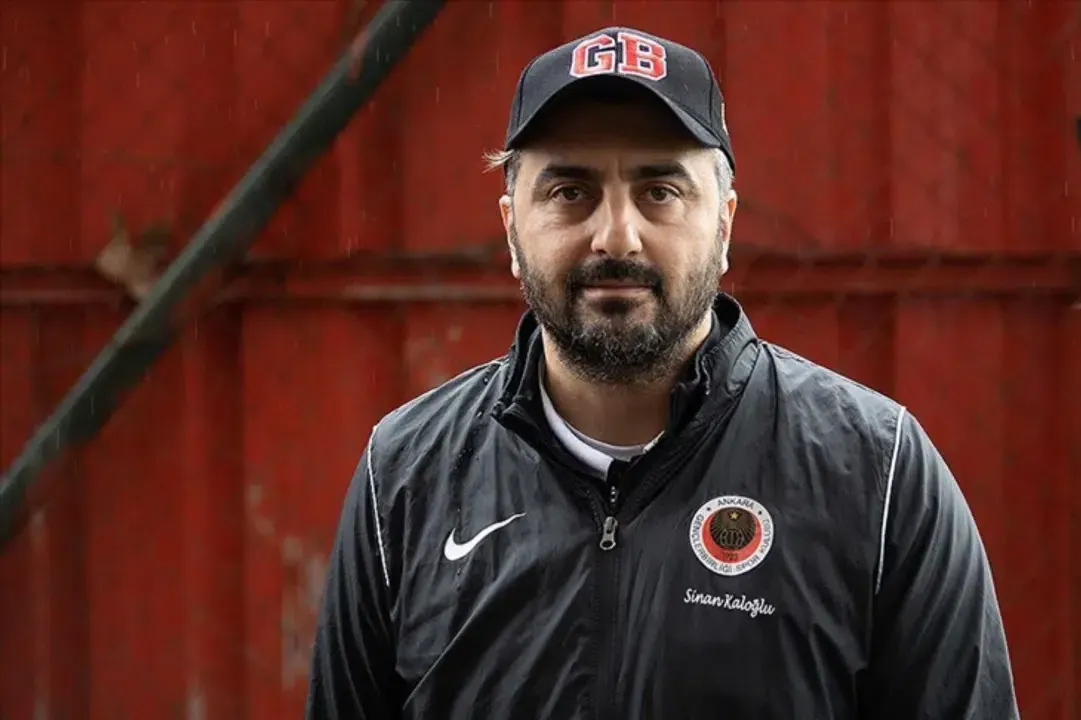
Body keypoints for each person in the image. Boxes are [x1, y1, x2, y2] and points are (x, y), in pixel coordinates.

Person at [306, 25, 1020, 720]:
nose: (616, 236)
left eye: (660, 191)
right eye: (570, 191)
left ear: (725, 224)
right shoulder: (405, 475)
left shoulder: (877, 471)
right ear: (511, 230)